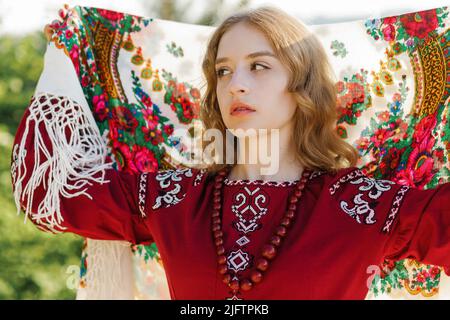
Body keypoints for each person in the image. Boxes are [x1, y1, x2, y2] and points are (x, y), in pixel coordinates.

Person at [11, 6, 450, 300]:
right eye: (223, 71)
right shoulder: (176, 199)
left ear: (302, 86)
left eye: (259, 65)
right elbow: (50, 193)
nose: (235, 83)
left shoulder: (365, 207)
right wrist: (64, 59)